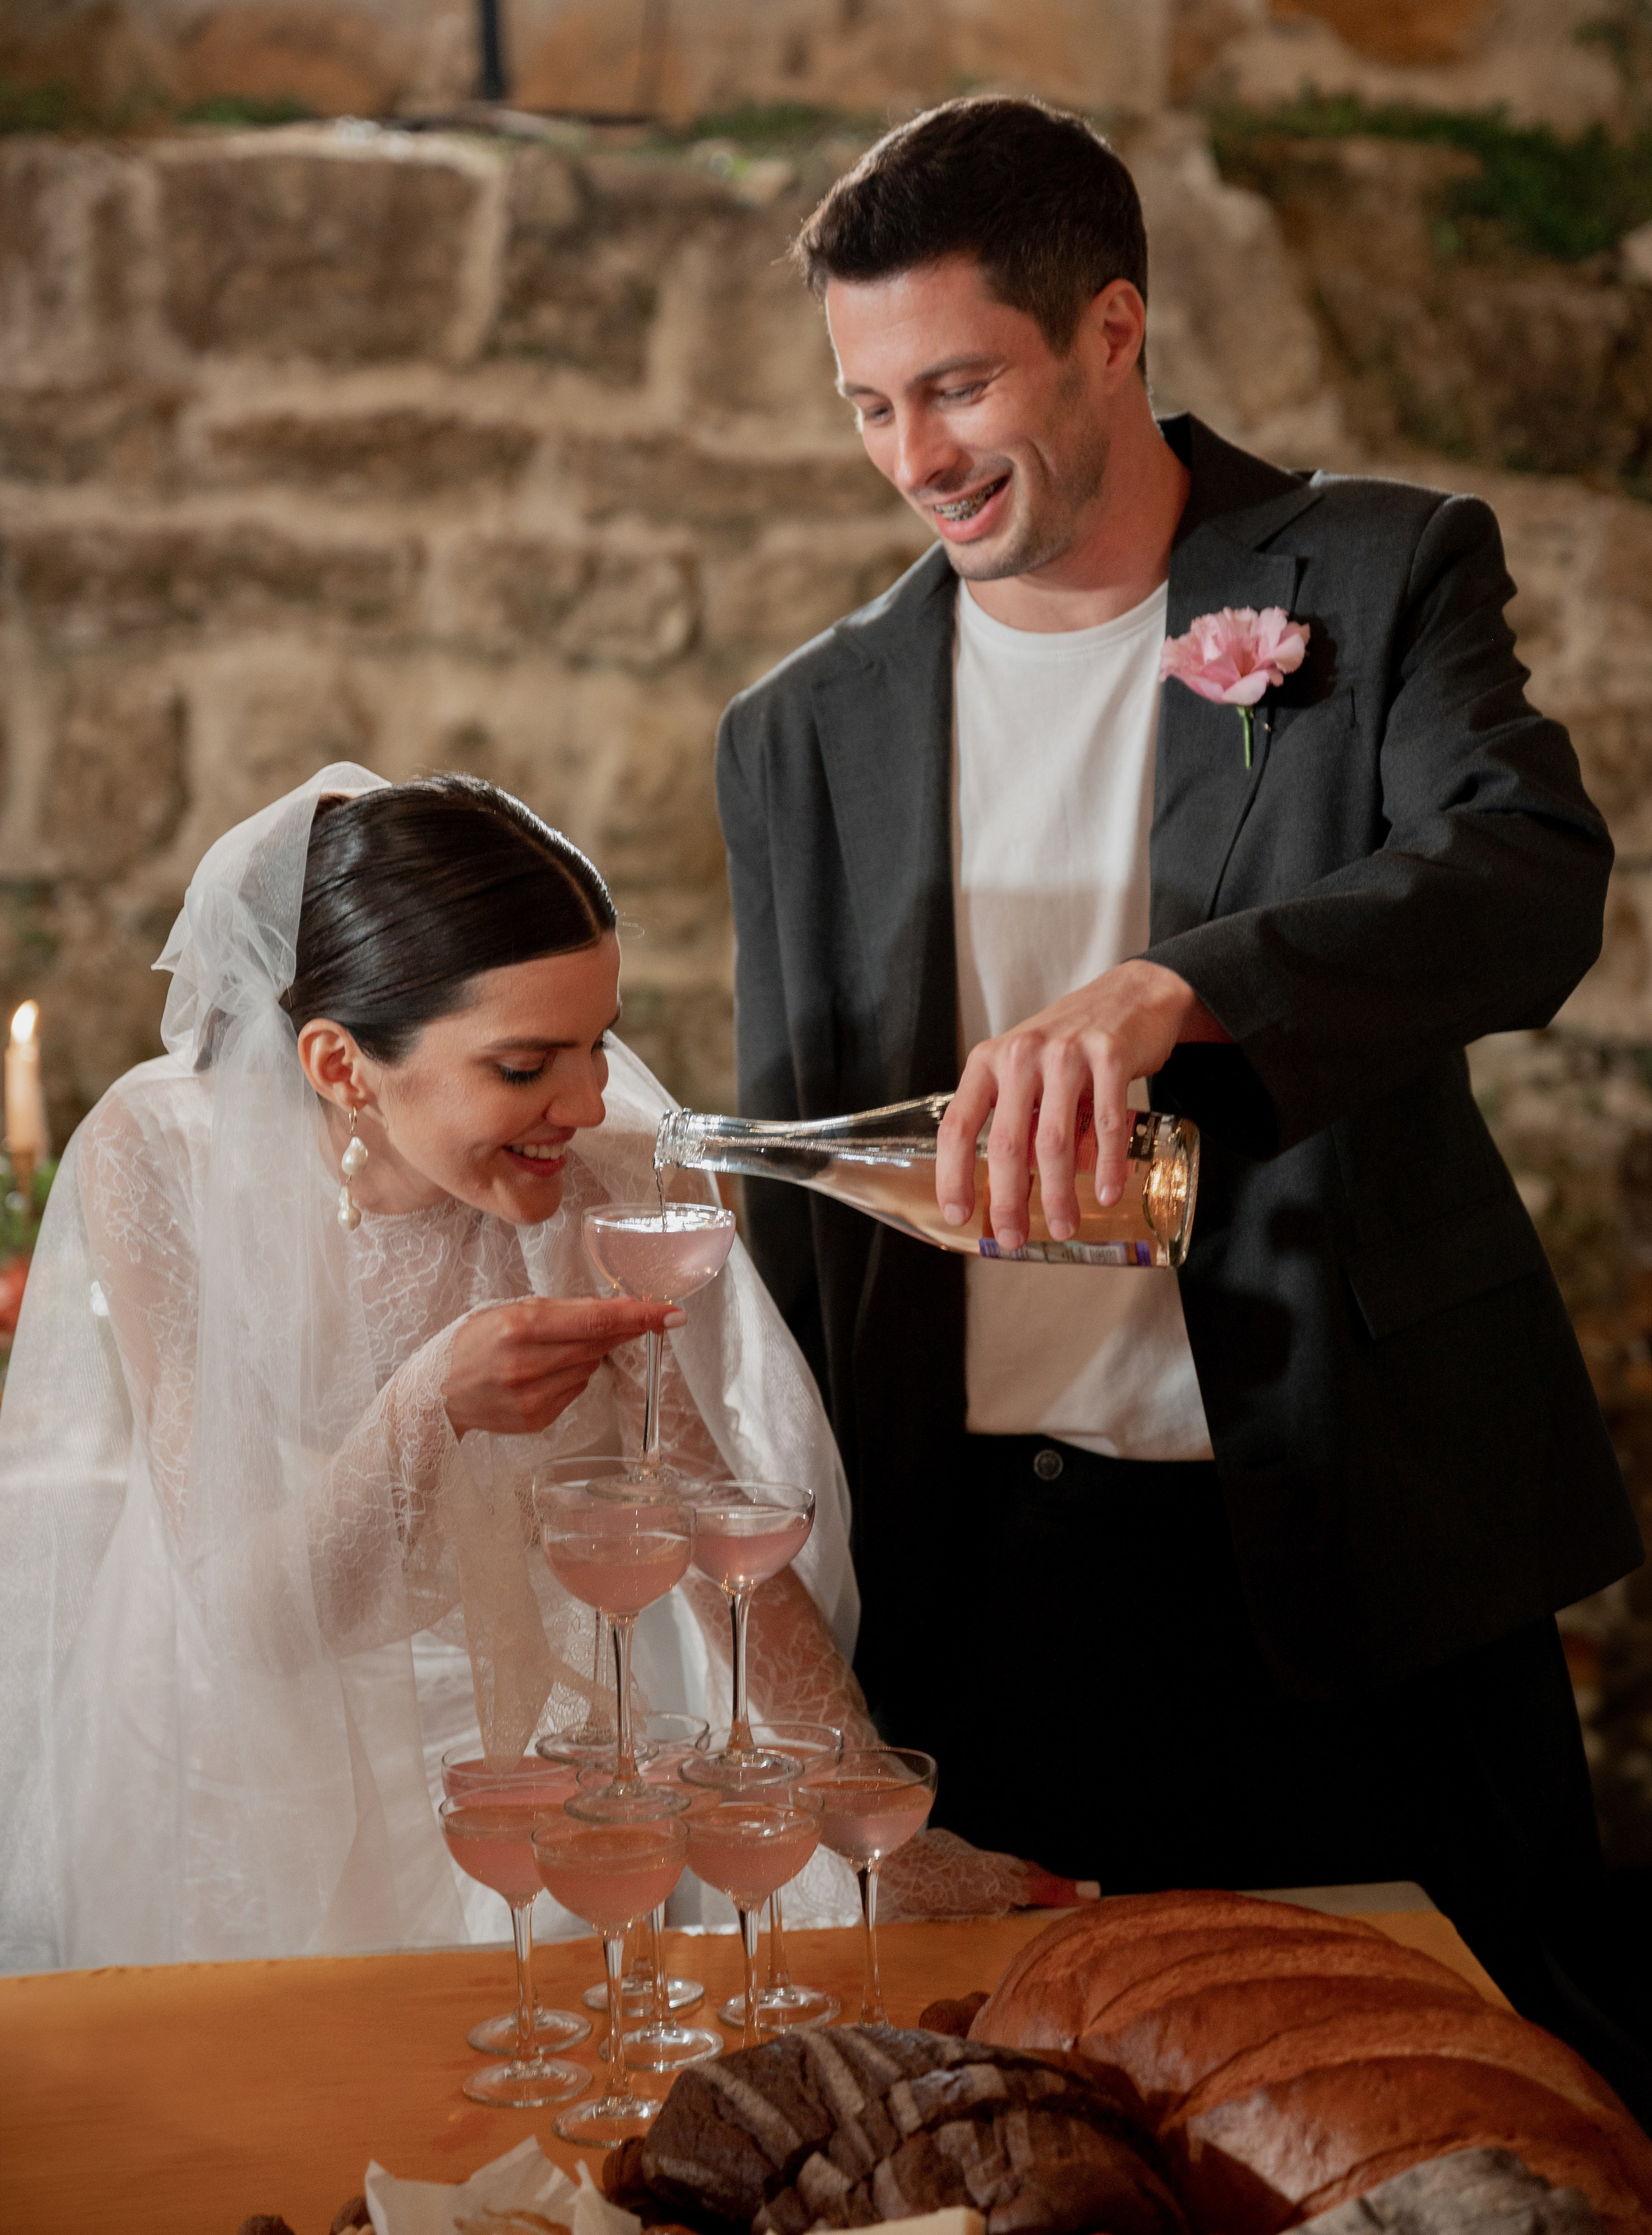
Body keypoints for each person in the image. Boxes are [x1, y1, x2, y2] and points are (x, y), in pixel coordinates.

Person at [716, 95, 1650, 2094]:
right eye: (869, 405)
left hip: (1348, 1531)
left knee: (1496, 2103)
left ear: (1115, 331)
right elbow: (797, 1215)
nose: (917, 458)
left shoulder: (1382, 572)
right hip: (983, 1590)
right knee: (1035, 2129)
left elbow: (1526, 885)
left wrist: (1178, 991)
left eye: (959, 386)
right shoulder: (799, 730)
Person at [0, 766, 1045, 1972]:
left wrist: (866, 1813)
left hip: (550, 1766)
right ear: (341, 1067)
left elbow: (706, 1523)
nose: (592, 1100)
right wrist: (430, 1405)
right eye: (525, 1066)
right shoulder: (158, 1156)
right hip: (250, 1767)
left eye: (600, 1043)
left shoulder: (601, 1183)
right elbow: (248, 1625)